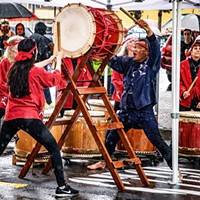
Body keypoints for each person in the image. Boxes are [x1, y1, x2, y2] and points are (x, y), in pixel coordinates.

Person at [87, 20, 173, 171]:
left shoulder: (151, 65)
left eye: (139, 48)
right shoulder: (128, 62)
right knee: (111, 136)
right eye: (135, 46)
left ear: (146, 52)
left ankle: (175, 169)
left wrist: (149, 32)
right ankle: (104, 161)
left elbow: (156, 51)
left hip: (144, 111)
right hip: (127, 110)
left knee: (157, 140)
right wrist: (118, 40)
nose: (134, 49)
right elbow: (111, 59)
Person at [0, 38, 79, 197]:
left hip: (11, 116)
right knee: (53, 148)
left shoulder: (14, 68)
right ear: (34, 52)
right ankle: (62, 187)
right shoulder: (34, 71)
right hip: (29, 118)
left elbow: (32, 67)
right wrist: (58, 60)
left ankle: (63, 187)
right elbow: (55, 78)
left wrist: (51, 59)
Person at [0, 35, 24, 123]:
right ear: (13, 48)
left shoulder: (23, 62)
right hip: (5, 95)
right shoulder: (5, 62)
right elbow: (1, 82)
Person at [30, 22, 54, 108]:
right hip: (41, 63)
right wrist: (49, 58)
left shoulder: (30, 37)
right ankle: (48, 101)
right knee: (44, 82)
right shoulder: (42, 39)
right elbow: (43, 52)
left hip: (31, 63)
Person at [180, 35, 200, 111]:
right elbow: (178, 82)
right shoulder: (182, 65)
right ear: (190, 51)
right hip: (185, 101)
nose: (198, 50)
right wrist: (183, 91)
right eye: (195, 48)